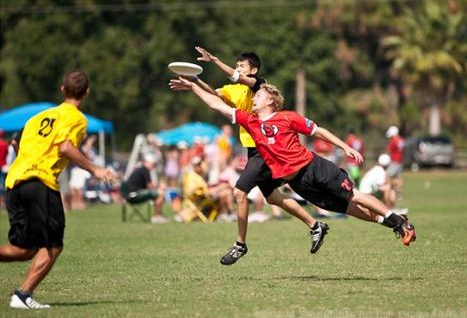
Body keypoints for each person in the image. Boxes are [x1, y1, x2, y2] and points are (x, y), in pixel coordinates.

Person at [170, 78, 417, 258]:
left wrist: (344, 147)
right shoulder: (251, 122)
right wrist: (193, 87)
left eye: (257, 96)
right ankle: (394, 222)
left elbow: (318, 130)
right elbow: (217, 105)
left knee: (353, 195)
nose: (253, 98)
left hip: (313, 167)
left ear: (271, 100)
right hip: (298, 183)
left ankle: (400, 223)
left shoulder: (288, 117)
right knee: (348, 208)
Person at [193, 47, 322, 265]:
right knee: (273, 197)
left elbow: (234, 77)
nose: (238, 69)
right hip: (253, 150)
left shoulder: (259, 87)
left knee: (239, 192)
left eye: (242, 66)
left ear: (254, 70)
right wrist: (194, 82)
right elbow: (214, 95)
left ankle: (240, 245)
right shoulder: (235, 91)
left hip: (265, 149)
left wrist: (214, 60)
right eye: (237, 65)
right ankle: (316, 225)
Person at [0, 70, 117, 309]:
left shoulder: (38, 117)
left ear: (62, 90)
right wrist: (95, 169)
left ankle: (22, 295)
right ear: (86, 92)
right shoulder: (77, 119)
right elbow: (65, 147)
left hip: (14, 182)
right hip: (40, 181)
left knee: (24, 249)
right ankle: (22, 295)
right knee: (53, 245)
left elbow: (15, 141)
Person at [123, 153, 167, 224]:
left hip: (130, 195)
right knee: (160, 194)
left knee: (158, 194)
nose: (154, 166)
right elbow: (150, 186)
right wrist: (160, 185)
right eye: (153, 164)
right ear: (147, 162)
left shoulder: (141, 170)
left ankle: (158, 215)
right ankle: (157, 216)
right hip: (134, 195)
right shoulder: (144, 170)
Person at [385, 125, 405, 194]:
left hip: (394, 161)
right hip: (400, 160)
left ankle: (389, 189)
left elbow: (389, 150)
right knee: (399, 177)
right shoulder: (402, 140)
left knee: (388, 176)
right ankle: (399, 193)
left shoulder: (393, 141)